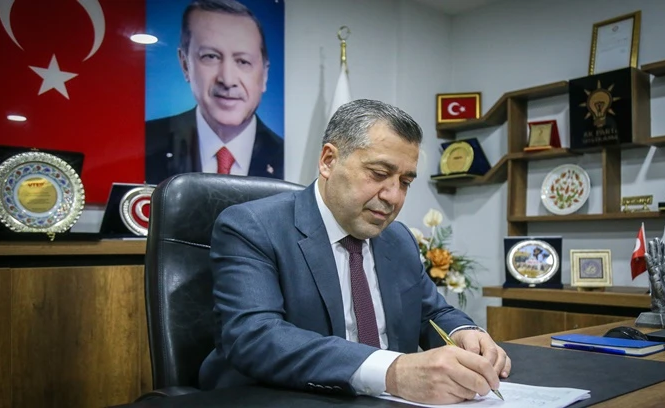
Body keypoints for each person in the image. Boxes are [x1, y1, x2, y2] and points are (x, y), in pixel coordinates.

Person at [199, 99, 511, 405]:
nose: (393, 197)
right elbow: (255, 336)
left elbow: (432, 313)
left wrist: (464, 333)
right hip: (280, 396)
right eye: (379, 173)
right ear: (328, 161)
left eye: (405, 182)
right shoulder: (252, 227)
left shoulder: (398, 239)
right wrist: (392, 372)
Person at [145, 0, 283, 185]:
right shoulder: (146, 143)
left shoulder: (289, 157)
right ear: (185, 64)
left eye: (243, 61)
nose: (227, 80)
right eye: (211, 57)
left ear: (264, 74)